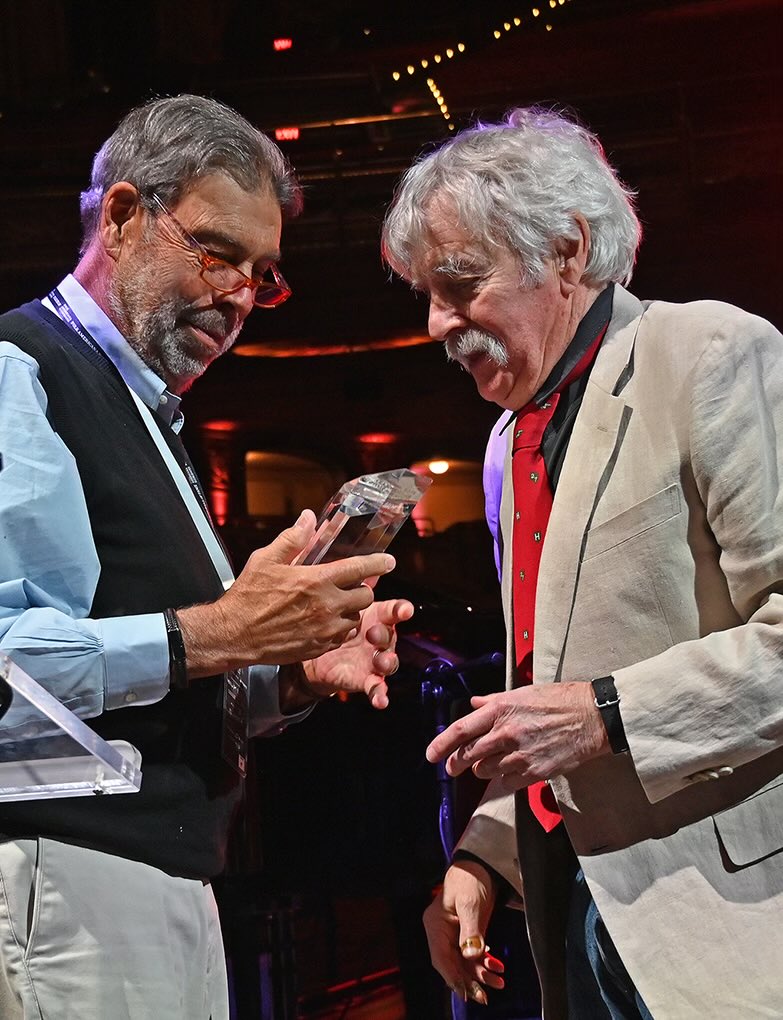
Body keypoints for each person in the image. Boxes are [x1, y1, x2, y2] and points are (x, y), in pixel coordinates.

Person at [0, 93, 413, 1020]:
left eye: (261, 276)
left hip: (163, 881)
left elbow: (160, 674)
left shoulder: (153, 416)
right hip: (67, 883)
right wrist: (223, 629)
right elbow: (6, 664)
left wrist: (286, 671)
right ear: (120, 216)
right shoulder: (19, 373)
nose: (237, 296)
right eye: (218, 252)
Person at [381, 106, 783, 1018]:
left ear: (566, 249)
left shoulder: (708, 353)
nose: (439, 322)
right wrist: (485, 855)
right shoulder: (504, 445)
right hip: (579, 918)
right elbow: (547, 693)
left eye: (460, 282)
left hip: (733, 928)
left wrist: (605, 714)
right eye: (426, 294)